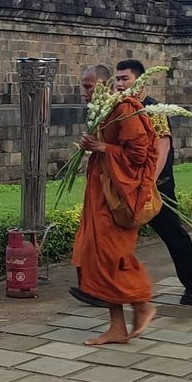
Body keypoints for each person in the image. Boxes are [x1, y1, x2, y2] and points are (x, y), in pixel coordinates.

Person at [70, 64, 158, 345]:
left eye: (88, 87)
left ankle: (142, 299)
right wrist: (93, 144)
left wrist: (104, 148)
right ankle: (117, 327)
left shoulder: (124, 108)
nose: (84, 93)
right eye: (83, 87)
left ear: (105, 85)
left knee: (114, 256)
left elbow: (140, 153)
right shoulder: (105, 110)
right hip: (101, 192)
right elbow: (107, 146)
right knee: (96, 256)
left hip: (118, 195)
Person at [114, 59, 192, 305]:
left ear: (140, 80)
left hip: (155, 185)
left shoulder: (152, 109)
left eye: (125, 78)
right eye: (118, 79)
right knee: (113, 235)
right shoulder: (119, 107)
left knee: (173, 234)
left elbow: (162, 146)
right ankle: (103, 287)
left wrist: (148, 182)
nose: (120, 83)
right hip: (126, 184)